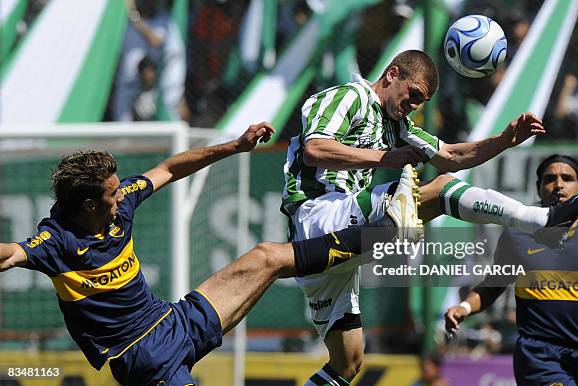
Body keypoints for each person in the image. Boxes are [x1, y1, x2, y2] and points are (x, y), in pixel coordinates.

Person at [0, 122, 412, 386]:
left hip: (173, 319)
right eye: (111, 194)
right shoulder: (56, 242)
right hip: (144, 360)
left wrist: (233, 147)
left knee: (267, 256)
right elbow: (8, 255)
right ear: (89, 205)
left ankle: (377, 237)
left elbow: (170, 168)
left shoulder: (119, 201)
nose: (120, 194)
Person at [281, 49, 578, 386]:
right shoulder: (349, 97)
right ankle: (538, 218)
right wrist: (386, 158)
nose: (414, 106)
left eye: (422, 101)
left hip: (336, 244)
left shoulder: (397, 124)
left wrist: (505, 139)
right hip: (317, 215)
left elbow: (450, 155)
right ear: (392, 75)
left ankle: (403, 227)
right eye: (413, 95)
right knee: (440, 189)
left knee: (348, 362)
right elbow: (315, 149)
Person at [445, 154, 578, 386]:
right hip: (536, 354)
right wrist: (464, 307)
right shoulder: (517, 236)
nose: (559, 185)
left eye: (567, 178)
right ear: (539, 188)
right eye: (550, 179)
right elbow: (493, 286)